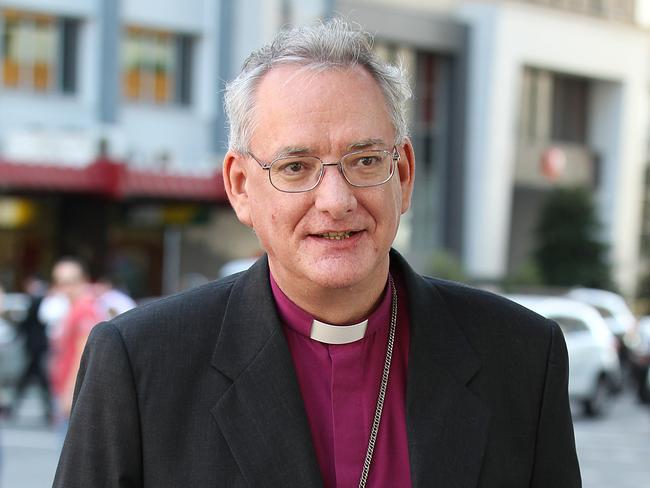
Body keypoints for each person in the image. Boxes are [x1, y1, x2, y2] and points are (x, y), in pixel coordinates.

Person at [54, 19, 581, 487]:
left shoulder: (521, 356)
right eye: (295, 167)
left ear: (404, 174)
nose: (336, 201)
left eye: (366, 160)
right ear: (240, 187)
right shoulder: (141, 363)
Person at [48, 258, 104, 428]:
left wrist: (69, 393)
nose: (66, 288)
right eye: (61, 283)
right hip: (66, 387)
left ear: (83, 280)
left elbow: (82, 353)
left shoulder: (84, 309)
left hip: (73, 392)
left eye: (71, 282)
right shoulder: (74, 307)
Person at [8, 276, 53, 422]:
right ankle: (48, 411)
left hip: (35, 348)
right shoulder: (41, 301)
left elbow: (27, 323)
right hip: (36, 348)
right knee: (36, 381)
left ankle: (13, 409)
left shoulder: (37, 301)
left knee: (34, 380)